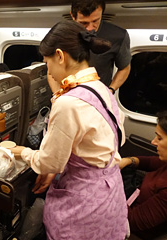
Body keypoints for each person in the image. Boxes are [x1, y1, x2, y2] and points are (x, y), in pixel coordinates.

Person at [10, 20, 127, 239]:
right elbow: (116, 140)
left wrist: (21, 152)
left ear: (60, 56)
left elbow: (48, 162)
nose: (49, 72)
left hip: (83, 207)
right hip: (109, 196)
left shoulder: (68, 103)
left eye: (47, 63)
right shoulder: (102, 89)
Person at [119, 111, 167, 239]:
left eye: (160, 138)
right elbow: (152, 162)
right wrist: (130, 160)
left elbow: (134, 221)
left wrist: (110, 193)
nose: (153, 142)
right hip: (133, 199)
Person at [71, 0, 131, 94]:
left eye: (95, 21)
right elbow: (51, 70)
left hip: (98, 97)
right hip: (68, 96)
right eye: (83, 23)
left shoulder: (118, 36)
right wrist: (57, 96)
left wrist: (110, 90)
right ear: (72, 16)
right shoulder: (62, 34)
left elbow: (124, 68)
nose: (90, 28)